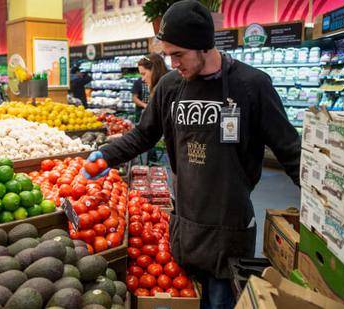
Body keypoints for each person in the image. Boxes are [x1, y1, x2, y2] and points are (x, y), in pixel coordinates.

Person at [83, 1, 301, 308]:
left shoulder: (251, 85)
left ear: (203, 46)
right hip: (185, 221)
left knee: (219, 300)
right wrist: (105, 155)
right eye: (168, 54)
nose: (173, 64)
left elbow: (290, 149)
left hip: (231, 226)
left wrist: (323, 208)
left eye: (178, 54)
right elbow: (144, 135)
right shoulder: (171, 87)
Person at [132, 53, 169, 122]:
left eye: (144, 74)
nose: (142, 79)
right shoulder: (157, 89)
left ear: (155, 70)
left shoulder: (167, 90)